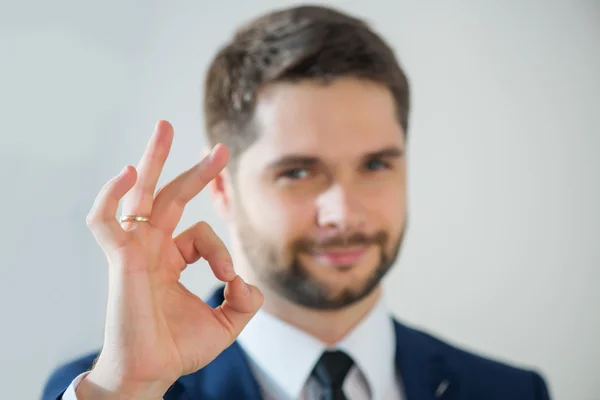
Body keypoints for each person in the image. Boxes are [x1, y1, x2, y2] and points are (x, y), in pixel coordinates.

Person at [41, 5, 551, 400]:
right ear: (222, 188)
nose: (344, 213)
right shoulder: (108, 389)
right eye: (298, 172)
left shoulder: (511, 391)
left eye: (375, 165)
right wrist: (128, 390)